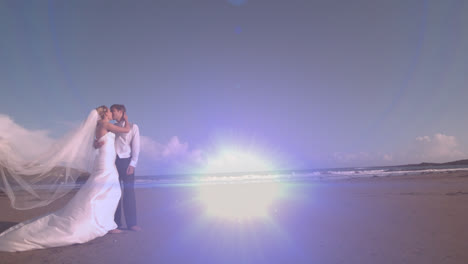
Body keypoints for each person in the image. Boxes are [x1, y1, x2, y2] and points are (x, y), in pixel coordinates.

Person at [0, 106, 130, 252]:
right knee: (109, 190)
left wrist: (96, 143)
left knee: (105, 190)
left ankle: (107, 222)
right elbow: (126, 130)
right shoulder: (106, 124)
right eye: (109, 111)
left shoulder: (99, 126)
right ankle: (103, 223)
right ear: (105, 114)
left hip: (104, 159)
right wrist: (125, 119)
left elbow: (96, 143)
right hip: (106, 162)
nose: (112, 113)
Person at [108, 104, 141, 232]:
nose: (112, 113)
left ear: (121, 111)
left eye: (113, 111)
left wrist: (133, 163)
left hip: (126, 161)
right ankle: (116, 223)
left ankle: (132, 224)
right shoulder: (111, 128)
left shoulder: (133, 127)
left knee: (129, 193)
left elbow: (136, 146)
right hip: (113, 162)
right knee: (115, 193)